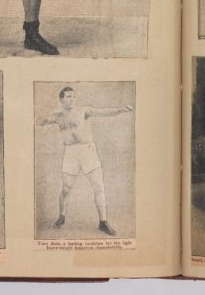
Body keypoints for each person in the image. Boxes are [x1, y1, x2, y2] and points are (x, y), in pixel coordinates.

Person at [36, 87, 133, 236]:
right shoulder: (57, 116)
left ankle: (103, 222)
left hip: (87, 151)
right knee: (66, 188)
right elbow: (39, 122)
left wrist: (121, 110)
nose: (72, 99)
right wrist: (45, 117)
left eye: (74, 96)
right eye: (68, 97)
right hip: (70, 153)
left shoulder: (83, 111)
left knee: (99, 187)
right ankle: (62, 216)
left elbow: (103, 112)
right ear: (61, 100)